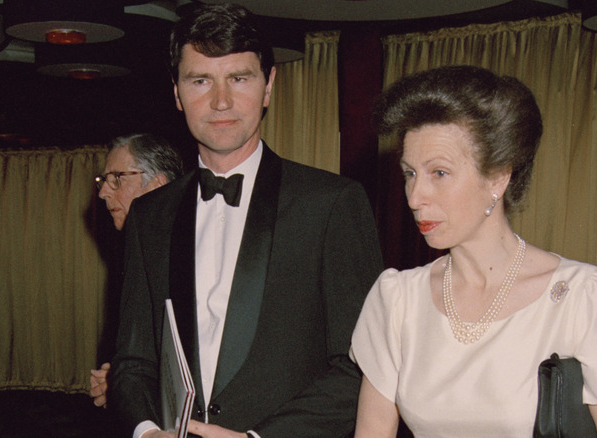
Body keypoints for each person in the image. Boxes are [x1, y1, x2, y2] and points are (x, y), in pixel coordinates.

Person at [109, 3, 383, 438]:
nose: (221, 101)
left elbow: (362, 366)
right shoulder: (150, 215)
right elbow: (132, 362)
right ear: (177, 93)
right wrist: (145, 431)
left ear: (268, 86)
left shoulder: (332, 204)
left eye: (239, 78)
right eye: (201, 80)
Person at [349, 65, 597, 437]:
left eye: (439, 173)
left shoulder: (590, 301)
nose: (415, 197)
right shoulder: (396, 300)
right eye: (410, 173)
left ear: (497, 177)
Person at [89, 133, 184, 408]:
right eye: (103, 181)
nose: (104, 192)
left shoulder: (187, 252)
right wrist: (125, 382)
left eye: (117, 178)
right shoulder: (142, 252)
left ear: (158, 186)